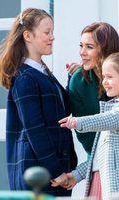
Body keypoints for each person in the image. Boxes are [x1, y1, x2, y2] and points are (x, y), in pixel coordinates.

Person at [0, 8, 77, 196]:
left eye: (52, 32)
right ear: (28, 35)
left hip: (52, 174)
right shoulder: (25, 78)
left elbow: (62, 110)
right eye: (47, 32)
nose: (52, 37)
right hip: (40, 177)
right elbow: (35, 130)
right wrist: (57, 171)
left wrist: (73, 79)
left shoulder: (41, 73)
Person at [51, 52, 119, 200]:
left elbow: (109, 119)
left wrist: (77, 122)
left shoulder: (112, 113)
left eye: (110, 77)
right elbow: (98, 157)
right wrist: (76, 174)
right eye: (104, 77)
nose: (104, 82)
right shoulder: (111, 107)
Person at [66, 22, 119, 155]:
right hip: (99, 158)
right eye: (81, 46)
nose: (82, 52)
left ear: (105, 49)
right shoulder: (77, 81)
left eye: (89, 47)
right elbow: (85, 135)